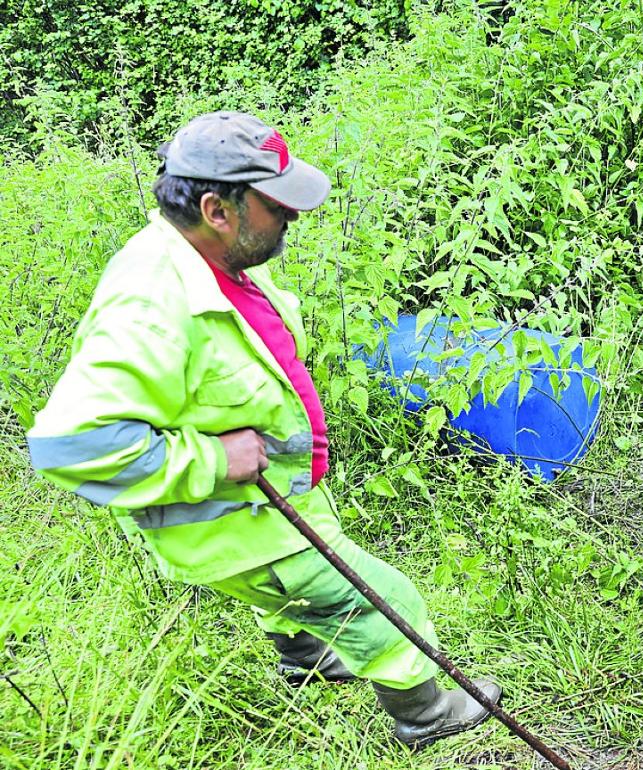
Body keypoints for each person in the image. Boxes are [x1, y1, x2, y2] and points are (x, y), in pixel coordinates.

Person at [25, 111, 501, 749]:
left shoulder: (213, 258)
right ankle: (426, 715)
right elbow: (70, 445)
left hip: (275, 499)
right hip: (240, 521)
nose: (291, 217)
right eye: (277, 205)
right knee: (384, 601)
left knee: (296, 591)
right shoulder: (150, 306)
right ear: (219, 208)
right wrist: (215, 460)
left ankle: (306, 658)